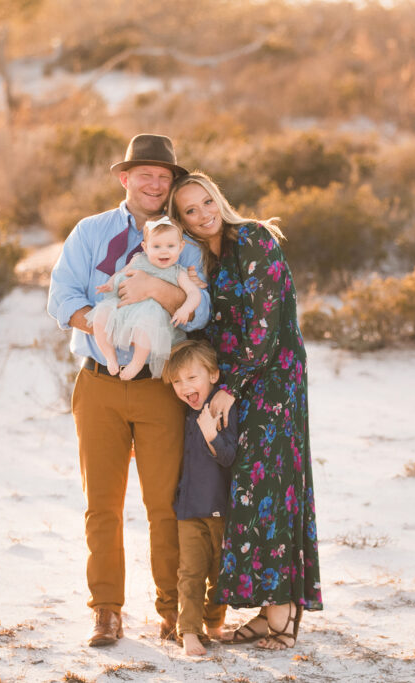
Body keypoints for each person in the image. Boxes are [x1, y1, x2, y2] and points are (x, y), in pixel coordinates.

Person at [46, 134, 211, 647]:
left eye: (164, 177)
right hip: (98, 384)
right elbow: (61, 297)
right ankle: (107, 611)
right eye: (146, 175)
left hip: (160, 386)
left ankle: (170, 611)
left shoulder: (187, 242)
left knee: (166, 504)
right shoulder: (91, 231)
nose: (155, 184)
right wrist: (95, 321)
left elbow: (202, 311)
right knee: (103, 504)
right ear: (125, 178)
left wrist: (154, 290)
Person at [164, 171, 323, 650]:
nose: (203, 214)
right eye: (190, 211)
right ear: (182, 221)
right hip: (235, 381)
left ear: (219, 198)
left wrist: (229, 387)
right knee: (247, 495)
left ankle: (283, 617)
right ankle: (265, 610)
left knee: (268, 486)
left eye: (206, 202)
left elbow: (265, 327)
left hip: (271, 380)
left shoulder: (253, 238)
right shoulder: (206, 258)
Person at [161, 340, 237, 657]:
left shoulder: (223, 413)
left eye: (192, 378)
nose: (184, 387)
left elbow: (229, 456)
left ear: (214, 376)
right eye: (177, 381)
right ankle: (189, 630)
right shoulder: (181, 414)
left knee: (220, 573)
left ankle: (214, 624)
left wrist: (211, 433)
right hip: (189, 510)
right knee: (190, 573)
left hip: (220, 510)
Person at [87, 216, 201, 380]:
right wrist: (110, 284)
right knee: (100, 316)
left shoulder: (178, 272)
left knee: (145, 328)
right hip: (124, 307)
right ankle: (110, 356)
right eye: (156, 246)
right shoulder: (138, 259)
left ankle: (136, 363)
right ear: (145, 247)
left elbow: (193, 293)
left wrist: (185, 309)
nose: (164, 251)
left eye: (170, 246)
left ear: (181, 247)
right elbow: (120, 273)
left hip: (151, 315)